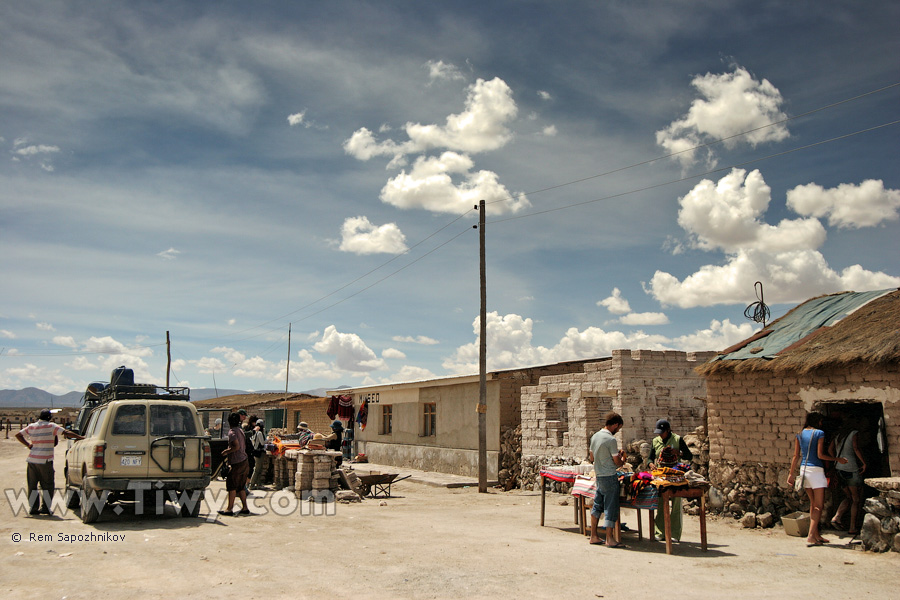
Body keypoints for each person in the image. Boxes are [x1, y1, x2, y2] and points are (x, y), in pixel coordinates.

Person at [787, 411, 847, 546]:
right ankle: (810, 536)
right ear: (818, 421)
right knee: (819, 506)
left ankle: (816, 534)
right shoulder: (819, 433)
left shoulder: (800, 434)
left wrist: (791, 474)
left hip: (804, 470)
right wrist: (838, 459)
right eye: (820, 421)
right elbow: (820, 455)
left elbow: (796, 456)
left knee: (813, 504)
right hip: (816, 471)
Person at [15, 409, 84, 515]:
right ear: (49, 417)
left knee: (32, 485)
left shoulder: (32, 426)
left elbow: (18, 435)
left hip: (32, 461)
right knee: (47, 485)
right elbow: (66, 433)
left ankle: (33, 509)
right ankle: (45, 508)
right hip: (45, 460)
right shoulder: (51, 426)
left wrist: (28, 445)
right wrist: (80, 438)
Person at [587, 412, 627, 548]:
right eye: (618, 428)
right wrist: (623, 459)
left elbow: (591, 458)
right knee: (611, 507)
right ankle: (610, 538)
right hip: (609, 476)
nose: (617, 431)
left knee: (597, 505)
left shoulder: (594, 437)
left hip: (599, 476)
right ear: (615, 425)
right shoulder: (611, 440)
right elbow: (617, 462)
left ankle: (594, 536)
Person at [650, 418, 693, 542]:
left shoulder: (677, 439)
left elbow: (689, 456)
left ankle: (674, 533)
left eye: (662, 432)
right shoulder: (655, 441)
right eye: (658, 432)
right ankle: (660, 532)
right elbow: (650, 458)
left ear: (668, 430)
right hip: (661, 476)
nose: (660, 435)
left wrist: (678, 453)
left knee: (676, 505)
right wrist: (650, 465)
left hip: (675, 476)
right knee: (660, 504)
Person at [829, 416, 866, 535]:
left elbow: (830, 450)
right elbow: (855, 448)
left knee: (848, 497)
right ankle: (852, 527)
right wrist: (864, 463)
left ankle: (837, 516)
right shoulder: (854, 433)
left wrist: (836, 459)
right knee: (856, 499)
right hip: (851, 469)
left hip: (839, 469)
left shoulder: (838, 435)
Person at [218, 412, 250, 516]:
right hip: (244, 461)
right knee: (241, 486)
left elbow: (236, 447)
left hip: (237, 462)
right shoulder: (240, 430)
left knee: (231, 485)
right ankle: (245, 508)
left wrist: (226, 452)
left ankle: (229, 509)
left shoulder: (232, 433)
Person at [249, 420, 268, 490]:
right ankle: (252, 484)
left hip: (258, 452)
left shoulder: (256, 432)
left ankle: (258, 484)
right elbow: (262, 443)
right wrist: (268, 440)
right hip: (259, 452)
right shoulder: (259, 433)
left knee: (259, 469)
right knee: (257, 469)